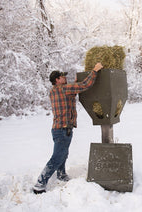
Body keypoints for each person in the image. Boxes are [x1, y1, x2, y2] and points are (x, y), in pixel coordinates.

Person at [33, 62, 103, 194]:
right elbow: (84, 86)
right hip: (62, 130)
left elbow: (69, 97)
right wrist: (95, 70)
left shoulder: (55, 91)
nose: (65, 78)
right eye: (62, 77)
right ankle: (40, 183)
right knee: (57, 157)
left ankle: (61, 174)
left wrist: (73, 86)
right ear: (57, 80)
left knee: (63, 154)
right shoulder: (64, 89)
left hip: (60, 129)